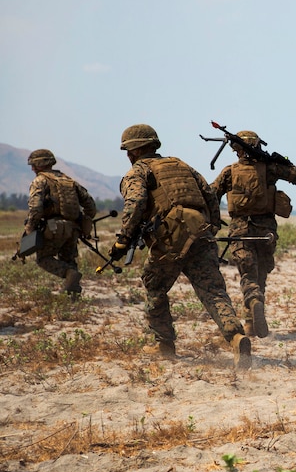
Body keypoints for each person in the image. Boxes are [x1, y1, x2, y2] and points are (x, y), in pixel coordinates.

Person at [109, 123, 251, 368]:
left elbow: (136, 203)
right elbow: (209, 195)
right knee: (213, 291)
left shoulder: (137, 172)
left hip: (170, 239)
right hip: (202, 233)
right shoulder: (182, 165)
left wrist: (122, 240)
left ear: (132, 151)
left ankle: (163, 344)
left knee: (154, 285)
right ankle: (236, 337)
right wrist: (213, 227)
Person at [211, 129, 296, 337]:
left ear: (236, 150)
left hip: (240, 230)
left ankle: (253, 305)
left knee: (248, 274)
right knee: (261, 274)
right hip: (266, 232)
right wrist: (285, 164)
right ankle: (251, 321)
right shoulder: (270, 169)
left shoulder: (229, 172)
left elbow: (210, 194)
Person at [22, 149, 97, 295]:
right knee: (68, 258)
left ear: (39, 164)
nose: (32, 168)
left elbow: (35, 207)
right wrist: (84, 223)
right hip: (73, 228)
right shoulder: (69, 180)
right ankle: (73, 293)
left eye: (33, 165)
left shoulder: (40, 181)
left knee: (44, 258)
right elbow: (91, 206)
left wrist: (30, 228)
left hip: (53, 228)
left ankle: (69, 274)